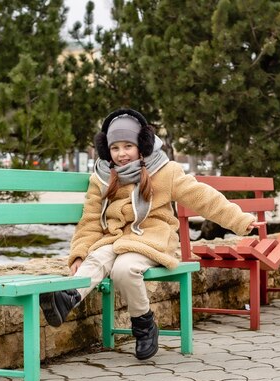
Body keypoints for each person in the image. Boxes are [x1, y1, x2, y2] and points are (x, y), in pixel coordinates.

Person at [39, 108, 263, 360]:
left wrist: (241, 220)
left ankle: (144, 325)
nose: (121, 154)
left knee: (124, 269)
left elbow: (204, 198)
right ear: (106, 150)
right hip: (115, 239)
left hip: (152, 239)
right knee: (96, 258)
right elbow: (90, 220)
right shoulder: (102, 177)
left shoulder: (165, 172)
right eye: (115, 148)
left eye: (128, 146)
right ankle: (67, 298)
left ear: (142, 144)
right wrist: (78, 254)